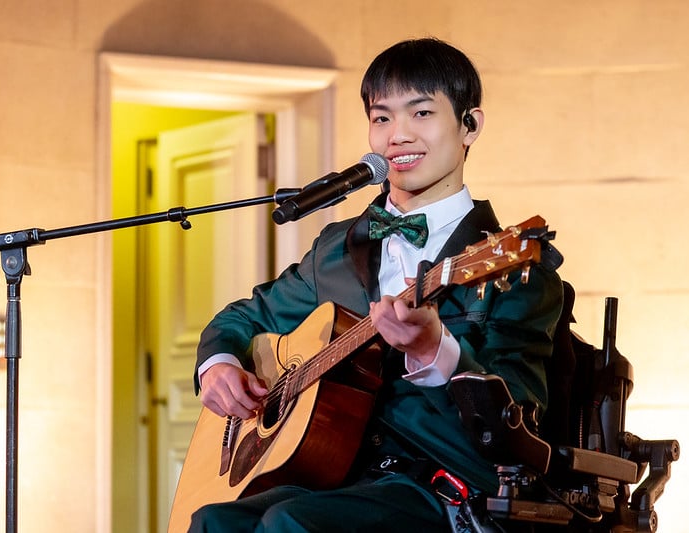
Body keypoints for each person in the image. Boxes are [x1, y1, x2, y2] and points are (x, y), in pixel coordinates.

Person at [188, 37, 564, 532]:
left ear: (469, 125)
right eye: (382, 118)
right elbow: (243, 318)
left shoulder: (516, 271)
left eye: (422, 113)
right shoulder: (336, 249)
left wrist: (437, 353)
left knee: (291, 525)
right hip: (330, 475)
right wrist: (218, 365)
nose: (398, 137)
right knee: (214, 522)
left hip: (441, 489)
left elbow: (519, 431)